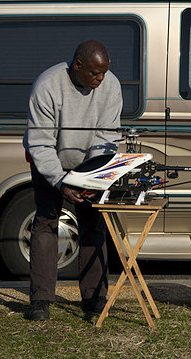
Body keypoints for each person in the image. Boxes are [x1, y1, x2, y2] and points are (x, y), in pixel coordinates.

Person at [23, 40, 123, 321]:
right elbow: (40, 143)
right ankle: (41, 300)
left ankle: (94, 297)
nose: (100, 79)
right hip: (50, 161)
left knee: (94, 226)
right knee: (45, 223)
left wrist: (90, 177)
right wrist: (60, 180)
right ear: (77, 65)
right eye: (94, 73)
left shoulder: (110, 86)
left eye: (104, 72)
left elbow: (107, 137)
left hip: (89, 164)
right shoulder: (47, 85)